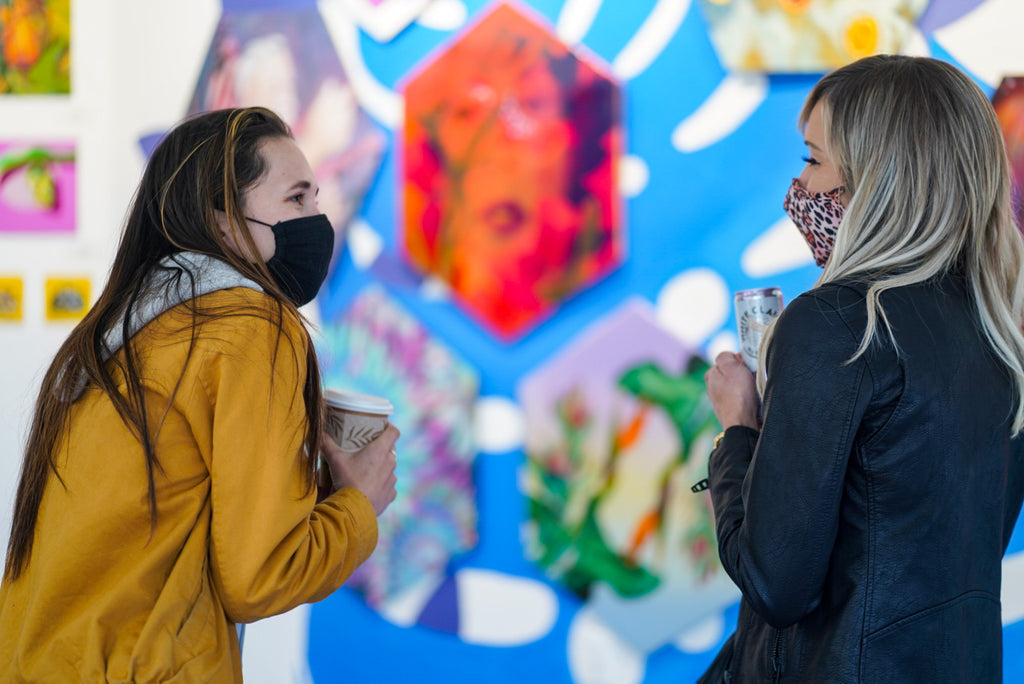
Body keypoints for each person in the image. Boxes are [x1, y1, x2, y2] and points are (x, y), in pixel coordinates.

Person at [0, 106, 399, 682]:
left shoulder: (118, 332)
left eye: (316, 199)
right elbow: (260, 577)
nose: (318, 218)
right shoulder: (251, 326)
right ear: (221, 219)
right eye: (296, 200)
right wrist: (358, 502)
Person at [701, 55, 1024, 682]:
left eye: (813, 161)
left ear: (877, 181)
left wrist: (738, 429)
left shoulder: (837, 324)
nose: (801, 189)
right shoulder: (1000, 330)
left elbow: (776, 585)